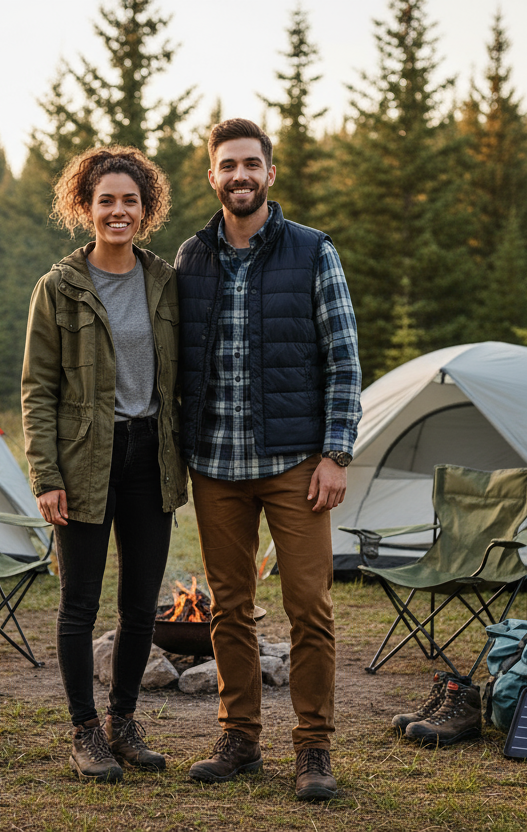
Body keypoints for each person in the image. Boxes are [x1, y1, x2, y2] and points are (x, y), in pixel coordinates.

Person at [174, 119, 361, 801]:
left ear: (270, 174)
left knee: (308, 605)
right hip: (215, 465)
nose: (240, 175)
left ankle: (313, 747)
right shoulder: (191, 257)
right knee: (229, 608)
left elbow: (343, 358)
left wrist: (336, 452)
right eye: (228, 166)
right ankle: (239, 737)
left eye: (251, 163)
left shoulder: (313, 252)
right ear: (213, 176)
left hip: (294, 464)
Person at [21, 146, 187, 784]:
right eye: (106, 200)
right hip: (84, 459)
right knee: (78, 605)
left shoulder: (165, 281)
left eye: (130, 201)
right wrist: (47, 476)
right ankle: (84, 731)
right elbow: (38, 390)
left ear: (146, 210)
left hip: (151, 455)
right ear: (84, 207)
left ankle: (123, 722)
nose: (118, 211)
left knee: (141, 605)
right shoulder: (57, 288)